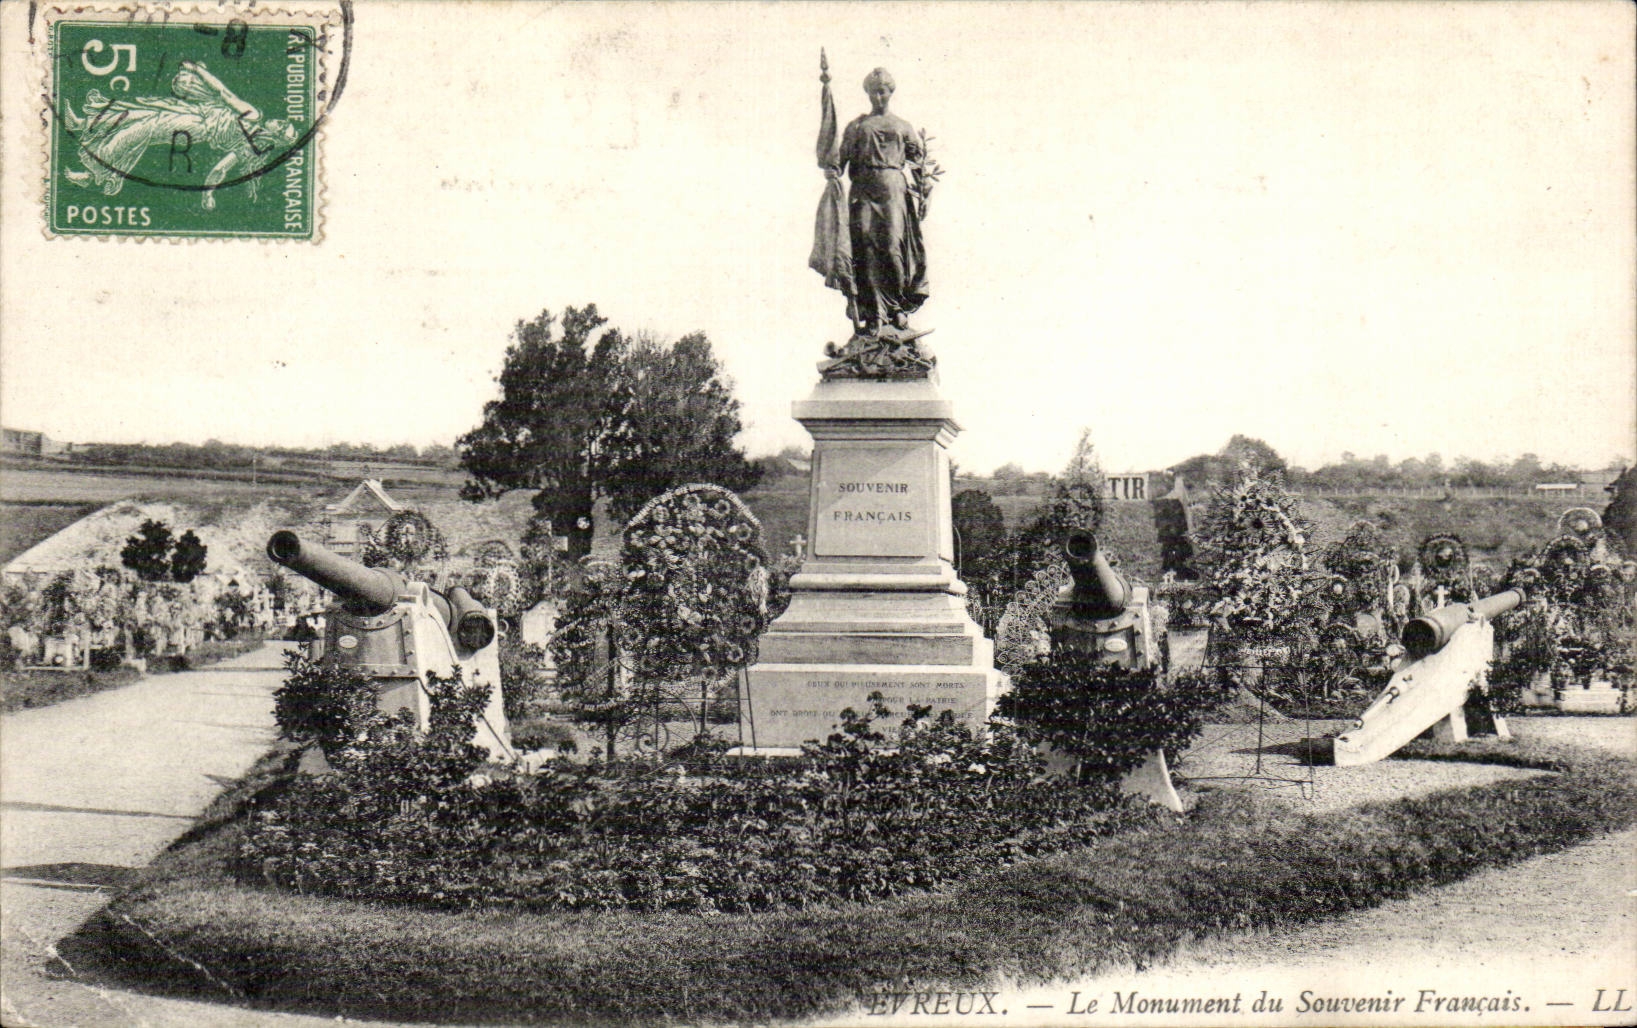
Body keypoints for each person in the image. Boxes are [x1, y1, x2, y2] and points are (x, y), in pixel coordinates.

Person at [62, 60, 297, 210]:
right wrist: (209, 196)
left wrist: (199, 71)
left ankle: (93, 170)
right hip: (197, 112)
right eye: (283, 121)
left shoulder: (253, 120)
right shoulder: (250, 142)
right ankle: (83, 125)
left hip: (197, 126)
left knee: (146, 127)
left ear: (275, 134)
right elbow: (220, 169)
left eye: (281, 125)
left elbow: (223, 93)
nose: (278, 121)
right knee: (142, 113)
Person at [837, 68, 929, 335]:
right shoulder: (857, 126)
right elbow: (839, 161)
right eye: (873, 91)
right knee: (865, 246)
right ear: (867, 93)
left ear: (890, 92)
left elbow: (919, 165)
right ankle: (874, 312)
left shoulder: (903, 127)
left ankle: (896, 308)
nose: (878, 96)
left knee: (892, 247)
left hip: (893, 191)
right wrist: (831, 166)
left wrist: (924, 193)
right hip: (864, 189)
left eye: (883, 91)